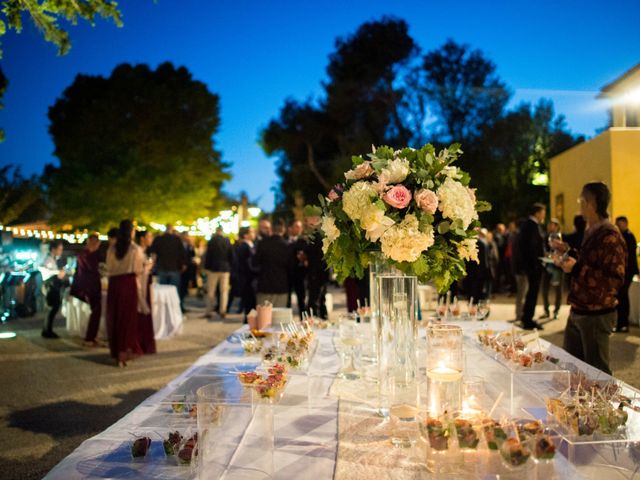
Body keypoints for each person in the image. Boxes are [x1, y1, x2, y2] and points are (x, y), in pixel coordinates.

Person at [556, 183, 626, 374]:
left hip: (596, 314)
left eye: (581, 200)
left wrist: (576, 267)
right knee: (572, 370)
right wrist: (568, 252)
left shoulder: (610, 235)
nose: (579, 205)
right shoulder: (593, 230)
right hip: (579, 309)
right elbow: (591, 262)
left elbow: (613, 279)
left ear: (591, 203)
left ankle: (601, 405)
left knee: (597, 375)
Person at [106, 220, 148, 367]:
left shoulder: (112, 249)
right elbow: (138, 269)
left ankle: (117, 352)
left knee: (115, 317)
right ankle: (124, 352)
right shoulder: (135, 249)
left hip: (114, 284)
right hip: (128, 283)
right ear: (131, 232)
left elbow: (108, 268)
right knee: (127, 319)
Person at [515, 203, 546, 330]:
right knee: (532, 292)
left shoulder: (529, 225)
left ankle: (527, 317)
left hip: (532, 265)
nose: (544, 215)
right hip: (533, 266)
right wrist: (537, 263)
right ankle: (528, 319)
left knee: (531, 292)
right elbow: (531, 248)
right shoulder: (531, 225)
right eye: (543, 212)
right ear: (537, 213)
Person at [70, 234, 103, 346]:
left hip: (86, 286)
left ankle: (91, 337)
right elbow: (93, 270)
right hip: (90, 286)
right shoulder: (88, 255)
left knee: (95, 311)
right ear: (94, 243)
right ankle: (90, 338)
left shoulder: (83, 254)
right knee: (96, 311)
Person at [255, 220, 292, 308]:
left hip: (264, 285)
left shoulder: (262, 244)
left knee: (264, 316)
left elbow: (255, 263)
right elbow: (291, 268)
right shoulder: (287, 246)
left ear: (271, 229)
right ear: (283, 230)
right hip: (281, 286)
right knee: (279, 317)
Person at [150, 224, 187, 310]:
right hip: (174, 268)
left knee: (163, 292)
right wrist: (183, 265)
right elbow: (182, 254)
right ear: (172, 230)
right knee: (174, 292)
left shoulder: (159, 239)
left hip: (162, 268)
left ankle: (164, 310)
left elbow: (153, 254)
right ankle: (174, 310)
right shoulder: (177, 239)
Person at [39, 240, 69, 338]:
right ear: (53, 249)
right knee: (53, 308)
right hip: (50, 285)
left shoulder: (52, 258)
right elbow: (42, 267)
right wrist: (57, 272)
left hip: (52, 284)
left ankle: (47, 330)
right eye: (59, 249)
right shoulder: (48, 259)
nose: (61, 251)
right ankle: (47, 331)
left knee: (53, 308)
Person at [615, 216, 639, 333]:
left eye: (620, 224)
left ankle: (623, 324)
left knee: (623, 296)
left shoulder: (629, 237)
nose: (618, 226)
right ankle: (620, 323)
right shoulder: (620, 236)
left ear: (625, 223)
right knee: (620, 296)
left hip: (627, 271)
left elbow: (631, 257)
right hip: (621, 271)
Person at [203, 227, 234, 319]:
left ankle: (209, 311)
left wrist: (207, 268)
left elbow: (208, 256)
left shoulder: (212, 241)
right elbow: (231, 255)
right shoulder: (227, 241)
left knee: (211, 291)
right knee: (224, 291)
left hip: (213, 269)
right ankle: (223, 310)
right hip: (225, 269)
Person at [136, 230, 156, 354]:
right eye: (149, 237)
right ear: (142, 238)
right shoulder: (137, 251)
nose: (151, 239)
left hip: (145, 284)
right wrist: (147, 267)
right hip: (140, 286)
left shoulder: (142, 251)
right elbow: (137, 270)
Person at [540, 218, 563, 320]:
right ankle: (546, 310)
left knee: (558, 290)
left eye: (553, 225)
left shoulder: (561, 237)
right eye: (550, 224)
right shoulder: (545, 237)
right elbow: (543, 249)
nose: (550, 227)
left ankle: (556, 311)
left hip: (558, 267)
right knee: (544, 290)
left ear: (557, 226)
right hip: (547, 266)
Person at [235, 226, 257, 322]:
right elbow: (247, 266)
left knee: (251, 307)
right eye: (251, 232)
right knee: (249, 308)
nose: (254, 234)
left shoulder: (250, 245)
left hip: (249, 281)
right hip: (247, 281)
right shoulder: (244, 247)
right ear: (245, 235)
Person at [287, 219, 307, 318]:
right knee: (287, 300)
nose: (299, 229)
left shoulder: (303, 241)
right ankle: (286, 321)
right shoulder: (284, 240)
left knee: (301, 299)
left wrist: (303, 258)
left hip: (300, 275)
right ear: (290, 228)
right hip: (287, 275)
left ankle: (303, 320)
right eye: (296, 226)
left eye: (300, 227)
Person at [180, 232, 196, 311]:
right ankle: (180, 306)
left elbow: (192, 255)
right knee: (180, 288)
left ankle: (182, 305)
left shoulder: (189, 245)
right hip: (180, 270)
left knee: (184, 288)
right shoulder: (178, 244)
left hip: (188, 270)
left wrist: (192, 247)